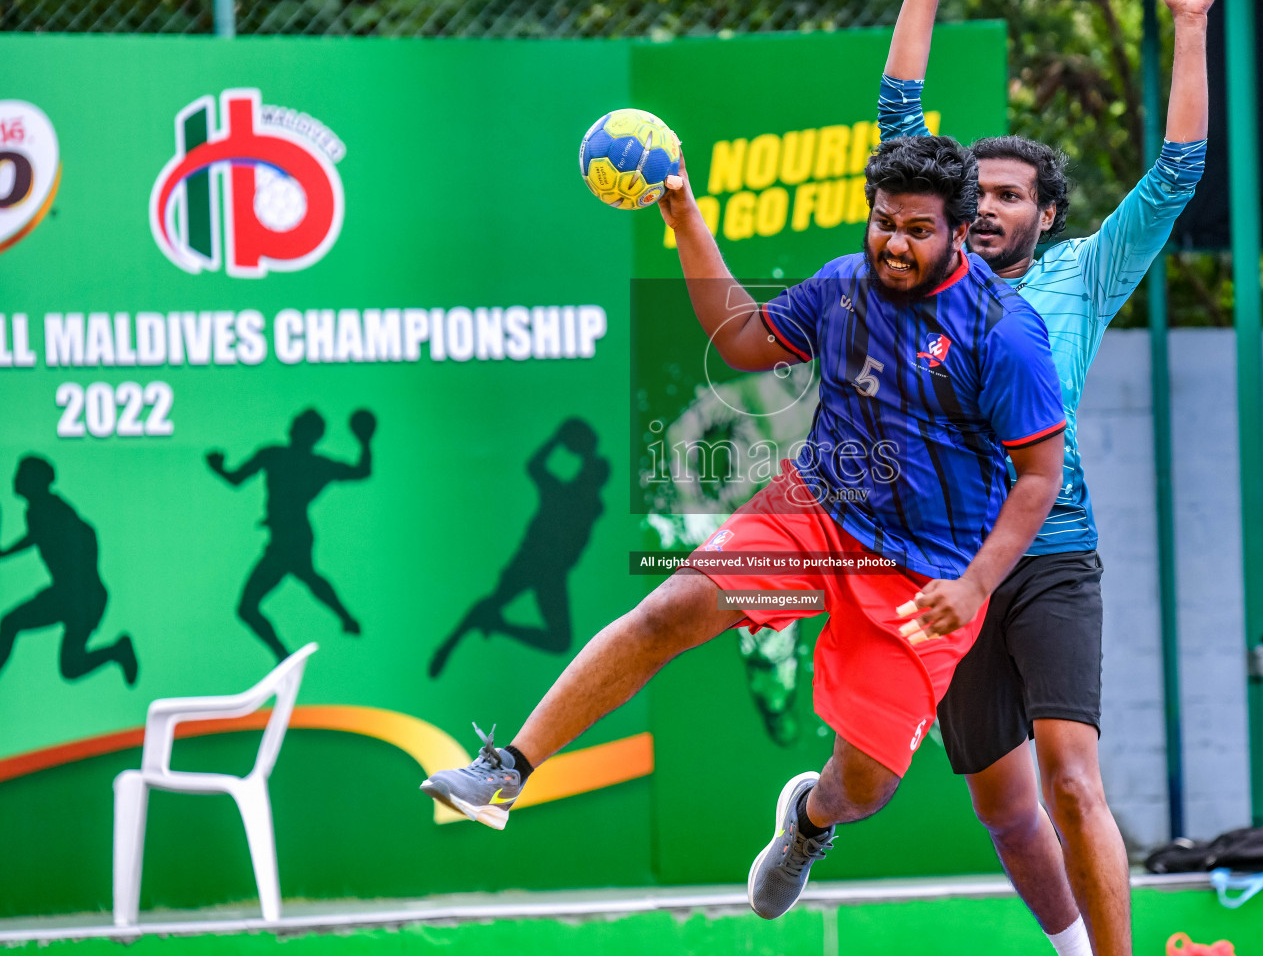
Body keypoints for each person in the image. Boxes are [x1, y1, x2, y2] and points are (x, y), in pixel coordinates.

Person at [420, 134, 1067, 921]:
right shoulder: (845, 286)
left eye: (917, 230)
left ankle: (807, 823)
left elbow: (1039, 478)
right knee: (671, 609)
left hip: (924, 573)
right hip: (817, 509)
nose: (894, 243)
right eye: (883, 221)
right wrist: (685, 213)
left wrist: (976, 583)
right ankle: (508, 767)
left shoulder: (1004, 333)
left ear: (960, 234)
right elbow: (741, 338)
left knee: (864, 785)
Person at [878, 0, 1248, 954]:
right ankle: (1075, 946)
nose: (986, 206)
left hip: (1052, 550)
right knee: (1003, 807)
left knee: (1073, 774)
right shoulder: (926, 274)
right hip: (945, 561)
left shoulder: (1081, 276)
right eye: (975, 195)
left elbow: (1175, 175)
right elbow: (899, 112)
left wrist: (1188, 27)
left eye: (1008, 196)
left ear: (1045, 216)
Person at [430, 417, 609, 677]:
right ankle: (449, 644)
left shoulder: (591, 505)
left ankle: (488, 630)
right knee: (494, 603)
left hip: (552, 573)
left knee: (559, 641)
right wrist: (558, 440)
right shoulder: (560, 492)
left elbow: (583, 479)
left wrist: (577, 447)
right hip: (532, 561)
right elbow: (534, 466)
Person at [207, 407, 376, 662]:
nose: (291, 426)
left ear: (308, 433)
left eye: (298, 424)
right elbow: (236, 478)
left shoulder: (301, 461)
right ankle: (340, 622)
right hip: (289, 536)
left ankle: (287, 652)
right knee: (305, 577)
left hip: (292, 537)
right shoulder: (285, 457)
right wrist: (220, 469)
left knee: (253, 604)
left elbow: (361, 472)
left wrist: (365, 441)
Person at [0, 455, 137, 686]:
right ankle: (117, 651)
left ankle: (118, 651)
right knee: (71, 666)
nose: (16, 479)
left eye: (22, 474)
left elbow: (83, 534)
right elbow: (36, 537)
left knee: (12, 624)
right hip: (72, 595)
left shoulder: (50, 509)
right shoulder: (37, 510)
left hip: (80, 597)